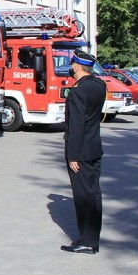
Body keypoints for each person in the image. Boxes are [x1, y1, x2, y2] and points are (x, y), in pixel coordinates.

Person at [60, 51, 107, 254]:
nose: (71, 67)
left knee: (83, 197)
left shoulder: (79, 91)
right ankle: (91, 238)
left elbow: (77, 125)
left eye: (72, 64)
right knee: (93, 194)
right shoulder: (98, 85)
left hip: (81, 152)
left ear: (77, 67)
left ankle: (87, 241)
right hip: (94, 147)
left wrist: (73, 156)